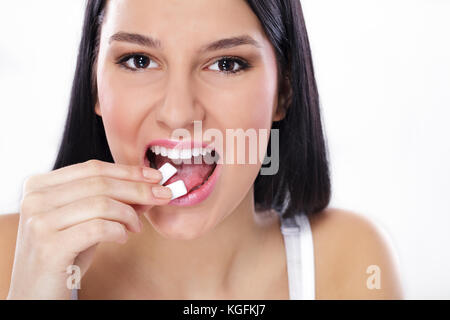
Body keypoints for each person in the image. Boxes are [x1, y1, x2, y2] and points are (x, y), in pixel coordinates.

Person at [1, 0, 403, 299]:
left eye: (226, 64)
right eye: (139, 60)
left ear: (284, 91)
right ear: (94, 87)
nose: (178, 113)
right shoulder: (14, 257)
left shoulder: (353, 262)